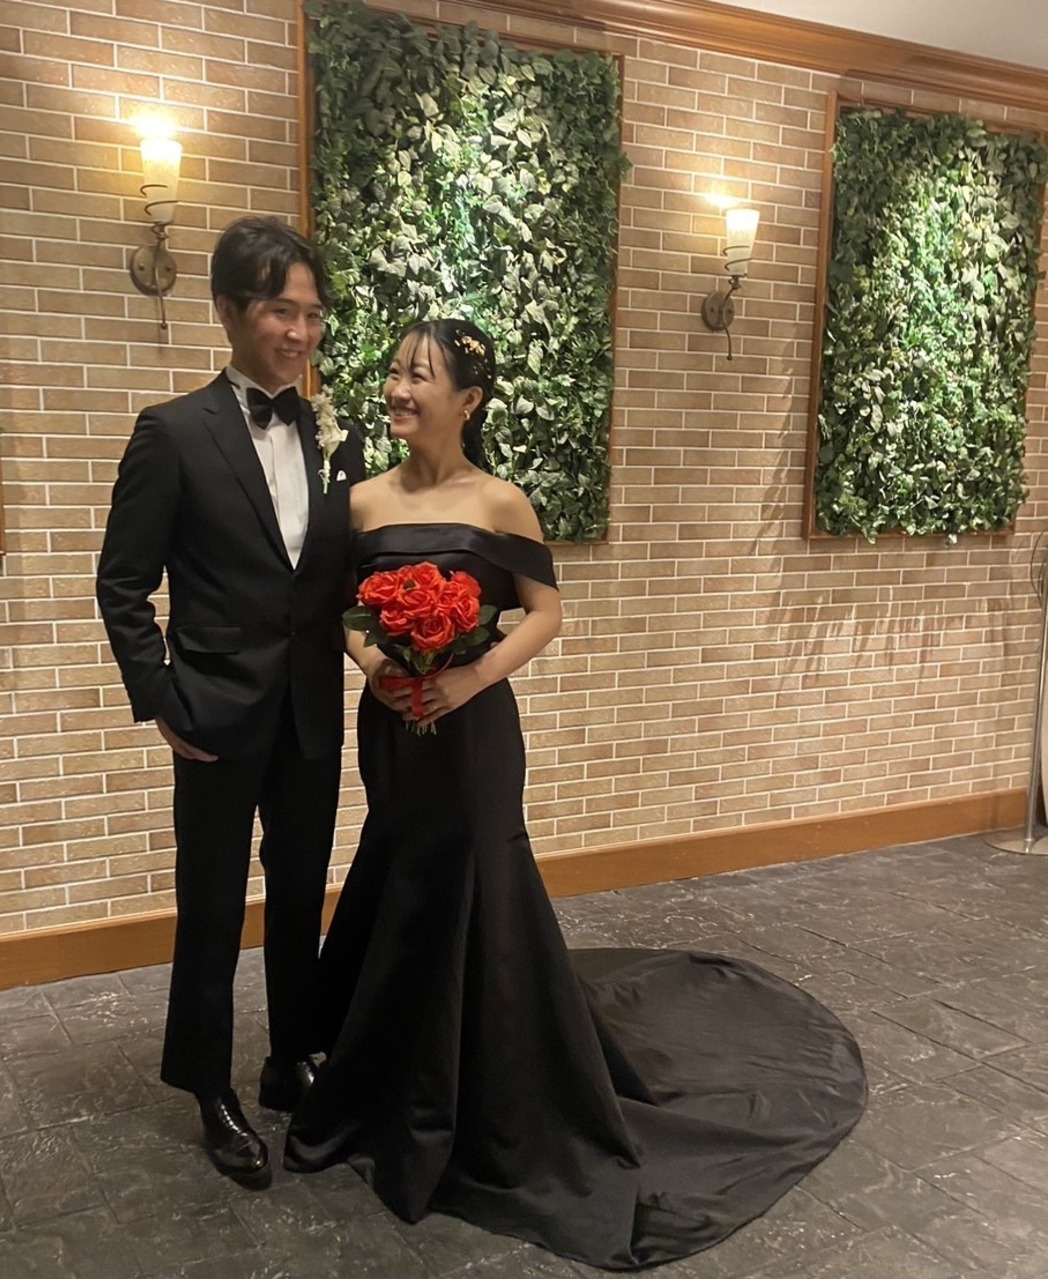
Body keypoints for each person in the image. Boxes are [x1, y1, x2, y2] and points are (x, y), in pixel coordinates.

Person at [284, 318, 866, 1269]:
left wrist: (470, 677)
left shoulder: (502, 501)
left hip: (474, 729)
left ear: (469, 400)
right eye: (394, 371)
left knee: (474, 877)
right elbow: (344, 612)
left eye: (418, 375)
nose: (398, 388)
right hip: (393, 725)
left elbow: (545, 611)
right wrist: (378, 664)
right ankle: (386, 1076)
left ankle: (484, 1088)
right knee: (399, 867)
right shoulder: (361, 501)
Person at [96, 216, 365, 1188]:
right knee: (210, 906)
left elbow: (336, 577)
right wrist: (162, 698)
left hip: (310, 710)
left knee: (299, 895)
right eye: (279, 310)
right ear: (227, 310)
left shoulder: (336, 435)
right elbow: (122, 583)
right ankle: (209, 1085)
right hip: (213, 711)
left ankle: (290, 1055)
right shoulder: (172, 433)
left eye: (311, 313)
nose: (299, 331)